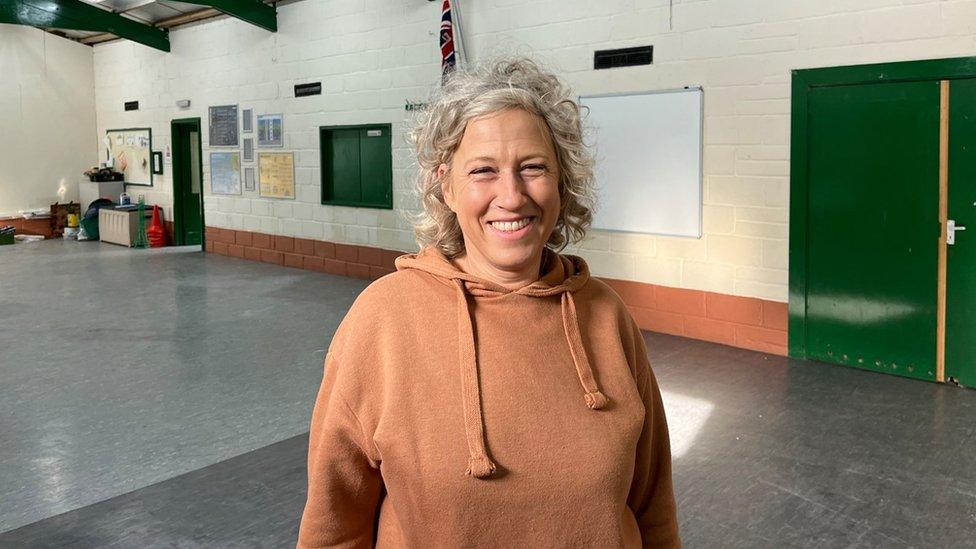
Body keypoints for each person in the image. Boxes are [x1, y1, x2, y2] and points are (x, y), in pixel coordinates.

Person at [297, 57, 680, 548]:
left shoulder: (606, 315)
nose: (512, 195)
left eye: (533, 167)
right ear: (446, 185)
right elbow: (335, 525)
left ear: (562, 180)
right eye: (483, 171)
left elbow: (654, 507)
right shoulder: (382, 320)